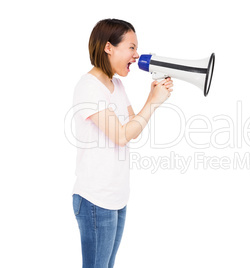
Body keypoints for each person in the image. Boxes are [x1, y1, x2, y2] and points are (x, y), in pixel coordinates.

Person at [71, 19, 173, 267]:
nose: (136, 55)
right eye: (131, 47)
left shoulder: (116, 84)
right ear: (108, 47)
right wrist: (153, 101)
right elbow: (120, 135)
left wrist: (153, 98)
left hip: (116, 197)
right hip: (96, 200)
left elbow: (132, 130)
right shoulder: (89, 87)